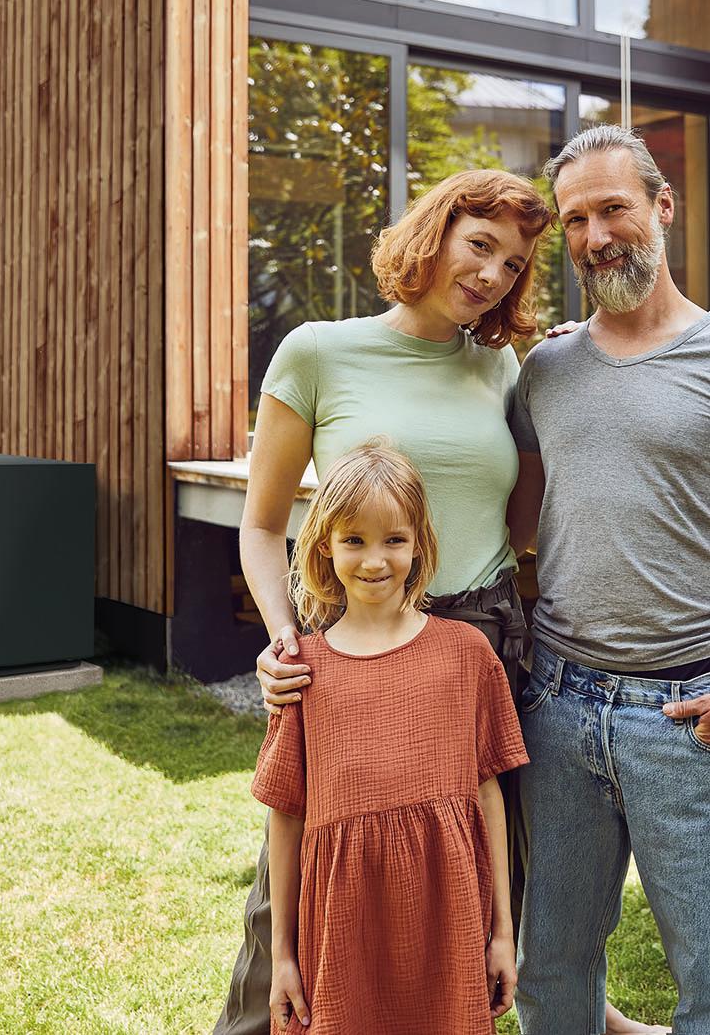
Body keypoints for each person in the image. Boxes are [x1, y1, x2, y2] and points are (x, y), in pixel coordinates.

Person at [215, 167, 657, 1035]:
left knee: (500, 859)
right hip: (355, 638)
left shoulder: (502, 366)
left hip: (483, 633)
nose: (494, 274)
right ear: (433, 235)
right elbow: (263, 526)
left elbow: (521, 521)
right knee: (305, 875)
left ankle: (574, 1008)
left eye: (515, 262)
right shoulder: (316, 351)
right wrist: (283, 640)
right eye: (479, 245)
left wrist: (569, 371)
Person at [508, 124, 709, 1035]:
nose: (597, 236)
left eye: (615, 208)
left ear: (663, 208)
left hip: (686, 715)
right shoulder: (544, 368)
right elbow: (523, 517)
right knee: (550, 968)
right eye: (577, 218)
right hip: (556, 704)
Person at [252, 441, 528, 1033]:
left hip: (448, 930)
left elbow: (488, 799)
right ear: (323, 545)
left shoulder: (466, 655)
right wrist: (282, 957)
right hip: (344, 939)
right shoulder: (303, 670)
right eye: (354, 540)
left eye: (393, 540)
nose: (374, 561)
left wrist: (503, 932)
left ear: (420, 543)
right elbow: (287, 818)